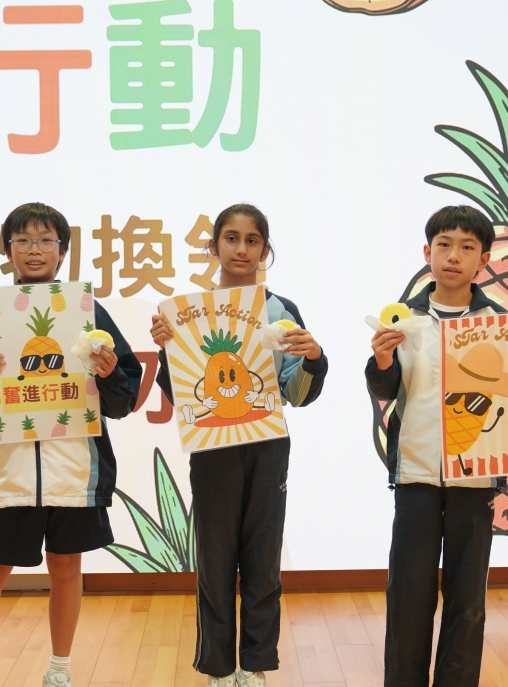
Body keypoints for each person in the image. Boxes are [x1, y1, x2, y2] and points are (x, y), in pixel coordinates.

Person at [0, 203, 142, 687]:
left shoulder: (89, 314)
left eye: (46, 240)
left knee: (67, 567)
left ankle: (59, 670)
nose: (35, 250)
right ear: (7, 250)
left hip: (75, 470)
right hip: (10, 474)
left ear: (63, 251)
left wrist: (108, 373)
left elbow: (124, 398)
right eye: (24, 240)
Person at [365, 205, 508, 687]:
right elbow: (384, 390)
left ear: (485, 259)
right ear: (427, 252)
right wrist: (382, 359)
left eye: (467, 247)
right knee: (408, 592)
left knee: (468, 599)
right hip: (415, 474)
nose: (453, 256)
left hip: (477, 480)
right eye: (444, 245)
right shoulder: (404, 318)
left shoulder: (505, 325)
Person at [149, 204, 328, 687]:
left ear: (266, 250)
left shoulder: (280, 311)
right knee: (214, 559)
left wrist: (315, 358)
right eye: (231, 238)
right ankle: (218, 669)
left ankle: (255, 665)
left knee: (262, 558)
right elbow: (182, 395)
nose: (241, 249)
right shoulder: (187, 313)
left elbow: (296, 394)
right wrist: (167, 350)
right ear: (213, 247)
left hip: (268, 448)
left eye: (252, 240)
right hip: (213, 450)